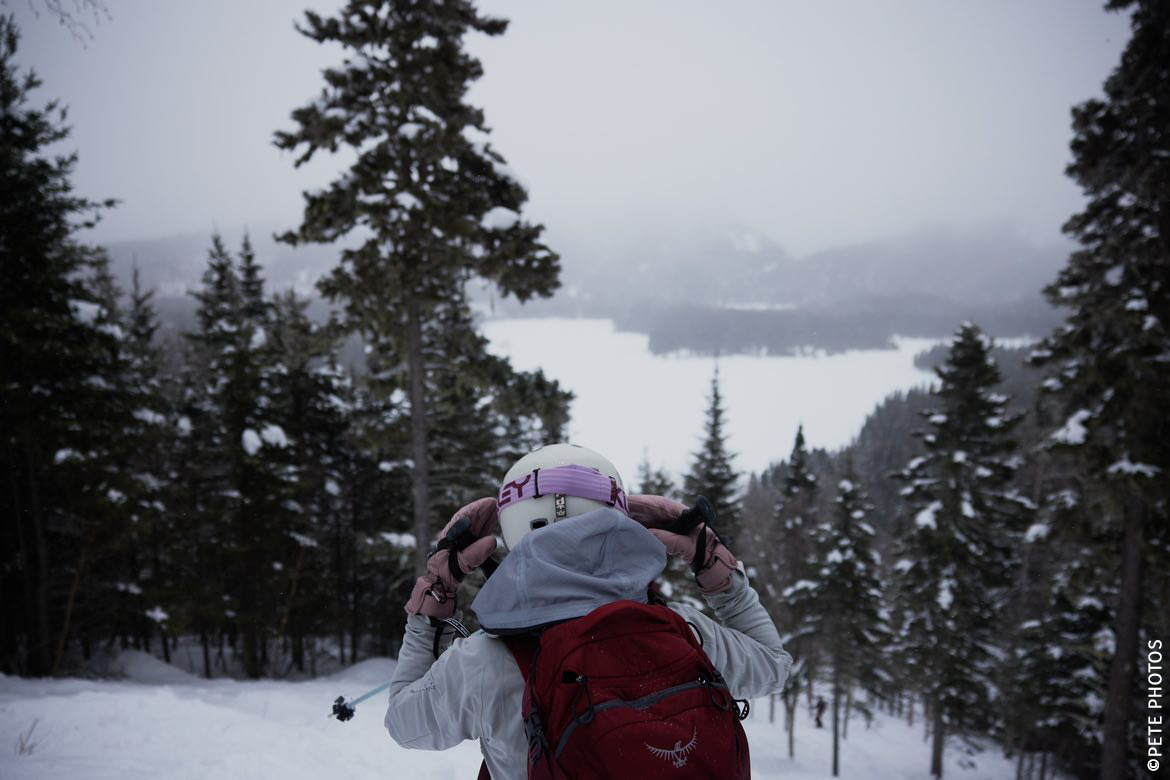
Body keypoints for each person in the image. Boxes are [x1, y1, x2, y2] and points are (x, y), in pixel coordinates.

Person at [385, 443, 792, 778]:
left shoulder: (484, 662)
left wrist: (434, 598)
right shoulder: (685, 633)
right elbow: (774, 664)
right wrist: (713, 564)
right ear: (616, 518)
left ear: (513, 529)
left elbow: (404, 724)